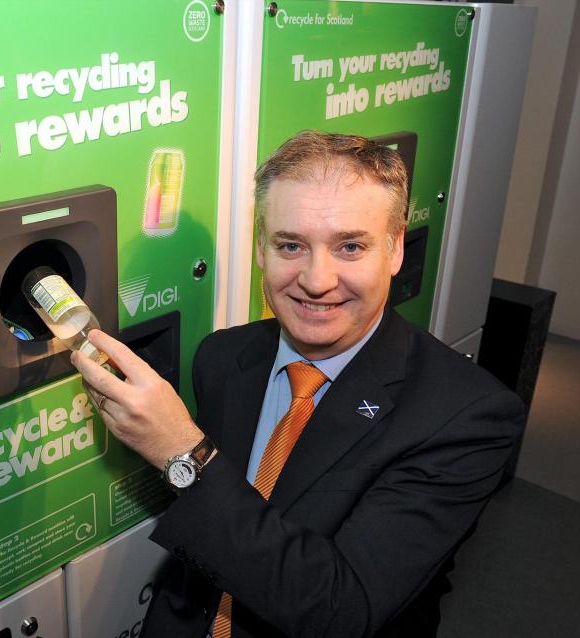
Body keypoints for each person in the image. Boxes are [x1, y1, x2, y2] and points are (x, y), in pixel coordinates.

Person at [71, 130, 524, 638]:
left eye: (350, 246)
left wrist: (182, 451)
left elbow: (340, 611)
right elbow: (216, 528)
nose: (316, 279)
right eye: (291, 245)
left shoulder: (468, 414)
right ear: (261, 249)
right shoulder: (222, 357)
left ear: (395, 249)